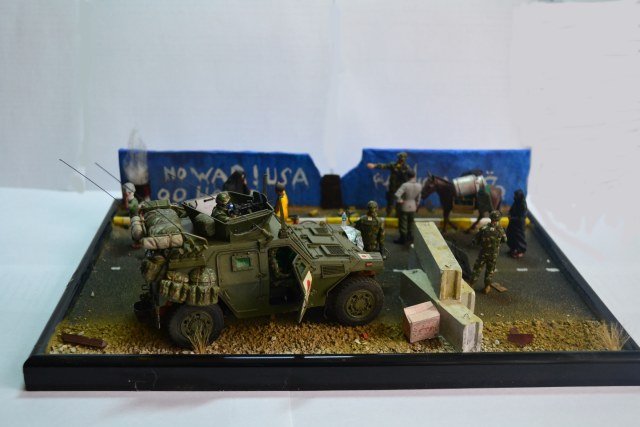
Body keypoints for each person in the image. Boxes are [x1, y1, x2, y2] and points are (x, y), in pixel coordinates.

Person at [469, 210, 507, 294]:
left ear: (491, 218)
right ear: (498, 219)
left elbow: (476, 240)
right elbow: (505, 240)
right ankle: (486, 287)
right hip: (493, 255)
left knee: (477, 269)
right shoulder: (500, 230)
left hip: (483, 253)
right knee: (490, 271)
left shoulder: (484, 228)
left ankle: (471, 284)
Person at [367, 152, 411, 217]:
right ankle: (388, 215)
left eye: (402, 159)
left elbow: (408, 178)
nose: (400, 160)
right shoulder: (393, 165)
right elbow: (385, 166)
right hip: (392, 188)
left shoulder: (406, 167)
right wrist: (375, 165)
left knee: (399, 204)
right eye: (399, 158)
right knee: (390, 202)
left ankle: (398, 216)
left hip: (400, 189)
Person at [393, 169, 421, 244]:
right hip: (413, 206)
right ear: (414, 176)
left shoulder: (405, 185)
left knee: (403, 223)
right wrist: (417, 204)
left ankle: (403, 238)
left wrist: (400, 200)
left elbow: (397, 195)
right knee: (411, 223)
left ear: (407, 176)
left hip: (404, 205)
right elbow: (418, 198)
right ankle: (410, 237)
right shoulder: (419, 185)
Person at [506, 189, 527, 258]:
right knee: (510, 236)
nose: (514, 197)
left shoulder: (523, 204)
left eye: (516, 195)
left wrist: (512, 218)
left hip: (519, 225)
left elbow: (521, 217)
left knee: (519, 238)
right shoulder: (516, 202)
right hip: (512, 223)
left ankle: (520, 251)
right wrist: (509, 213)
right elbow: (511, 210)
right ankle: (513, 248)